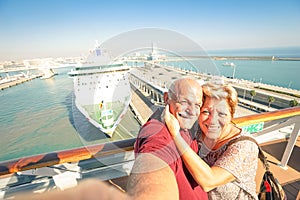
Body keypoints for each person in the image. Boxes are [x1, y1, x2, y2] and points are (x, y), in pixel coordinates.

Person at [164, 82, 259, 199]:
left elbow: (209, 181)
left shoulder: (245, 146)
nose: (213, 120)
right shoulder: (198, 130)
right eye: (206, 112)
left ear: (231, 115)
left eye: (222, 113)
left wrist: (175, 135)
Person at [127, 77, 208, 200]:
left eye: (197, 105)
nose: (192, 111)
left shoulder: (186, 126)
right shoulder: (156, 132)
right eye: (184, 102)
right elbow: (153, 159)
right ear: (166, 98)